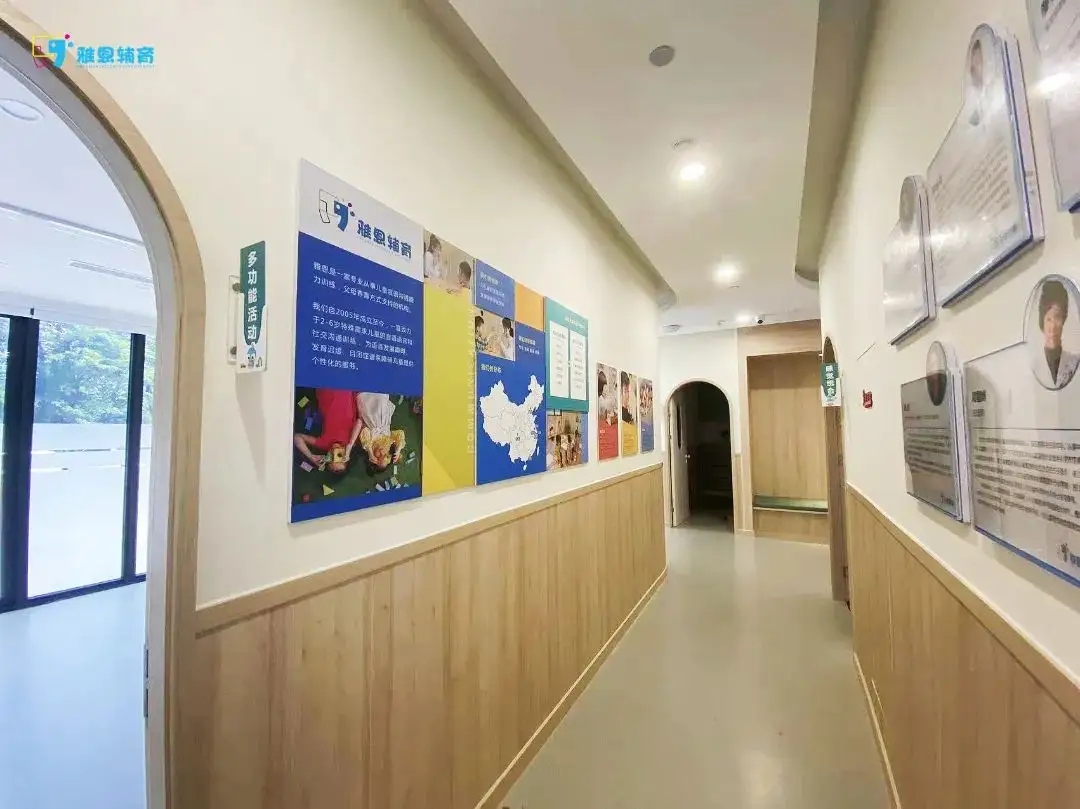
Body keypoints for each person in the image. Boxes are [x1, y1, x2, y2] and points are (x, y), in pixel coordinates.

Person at [293, 388, 363, 474]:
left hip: (324, 388)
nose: (334, 452)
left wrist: (310, 456)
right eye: (338, 456)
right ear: (346, 457)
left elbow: (297, 437)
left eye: (331, 458)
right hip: (346, 387)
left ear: (327, 458)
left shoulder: (323, 444)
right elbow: (360, 421)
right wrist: (350, 445)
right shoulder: (352, 440)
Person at [1033, 279, 1080, 390]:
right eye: (1048, 319)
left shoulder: (1075, 362)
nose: (1053, 326)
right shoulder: (1034, 367)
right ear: (1042, 323)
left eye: (1057, 317)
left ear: (1063, 319)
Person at [357, 392, 406, 471]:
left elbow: (364, 431)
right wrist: (398, 450)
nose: (382, 452)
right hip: (382, 408)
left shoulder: (369, 445)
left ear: (373, 458)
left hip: (369, 410)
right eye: (386, 455)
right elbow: (400, 433)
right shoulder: (388, 442)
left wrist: (370, 452)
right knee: (381, 393)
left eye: (378, 456)